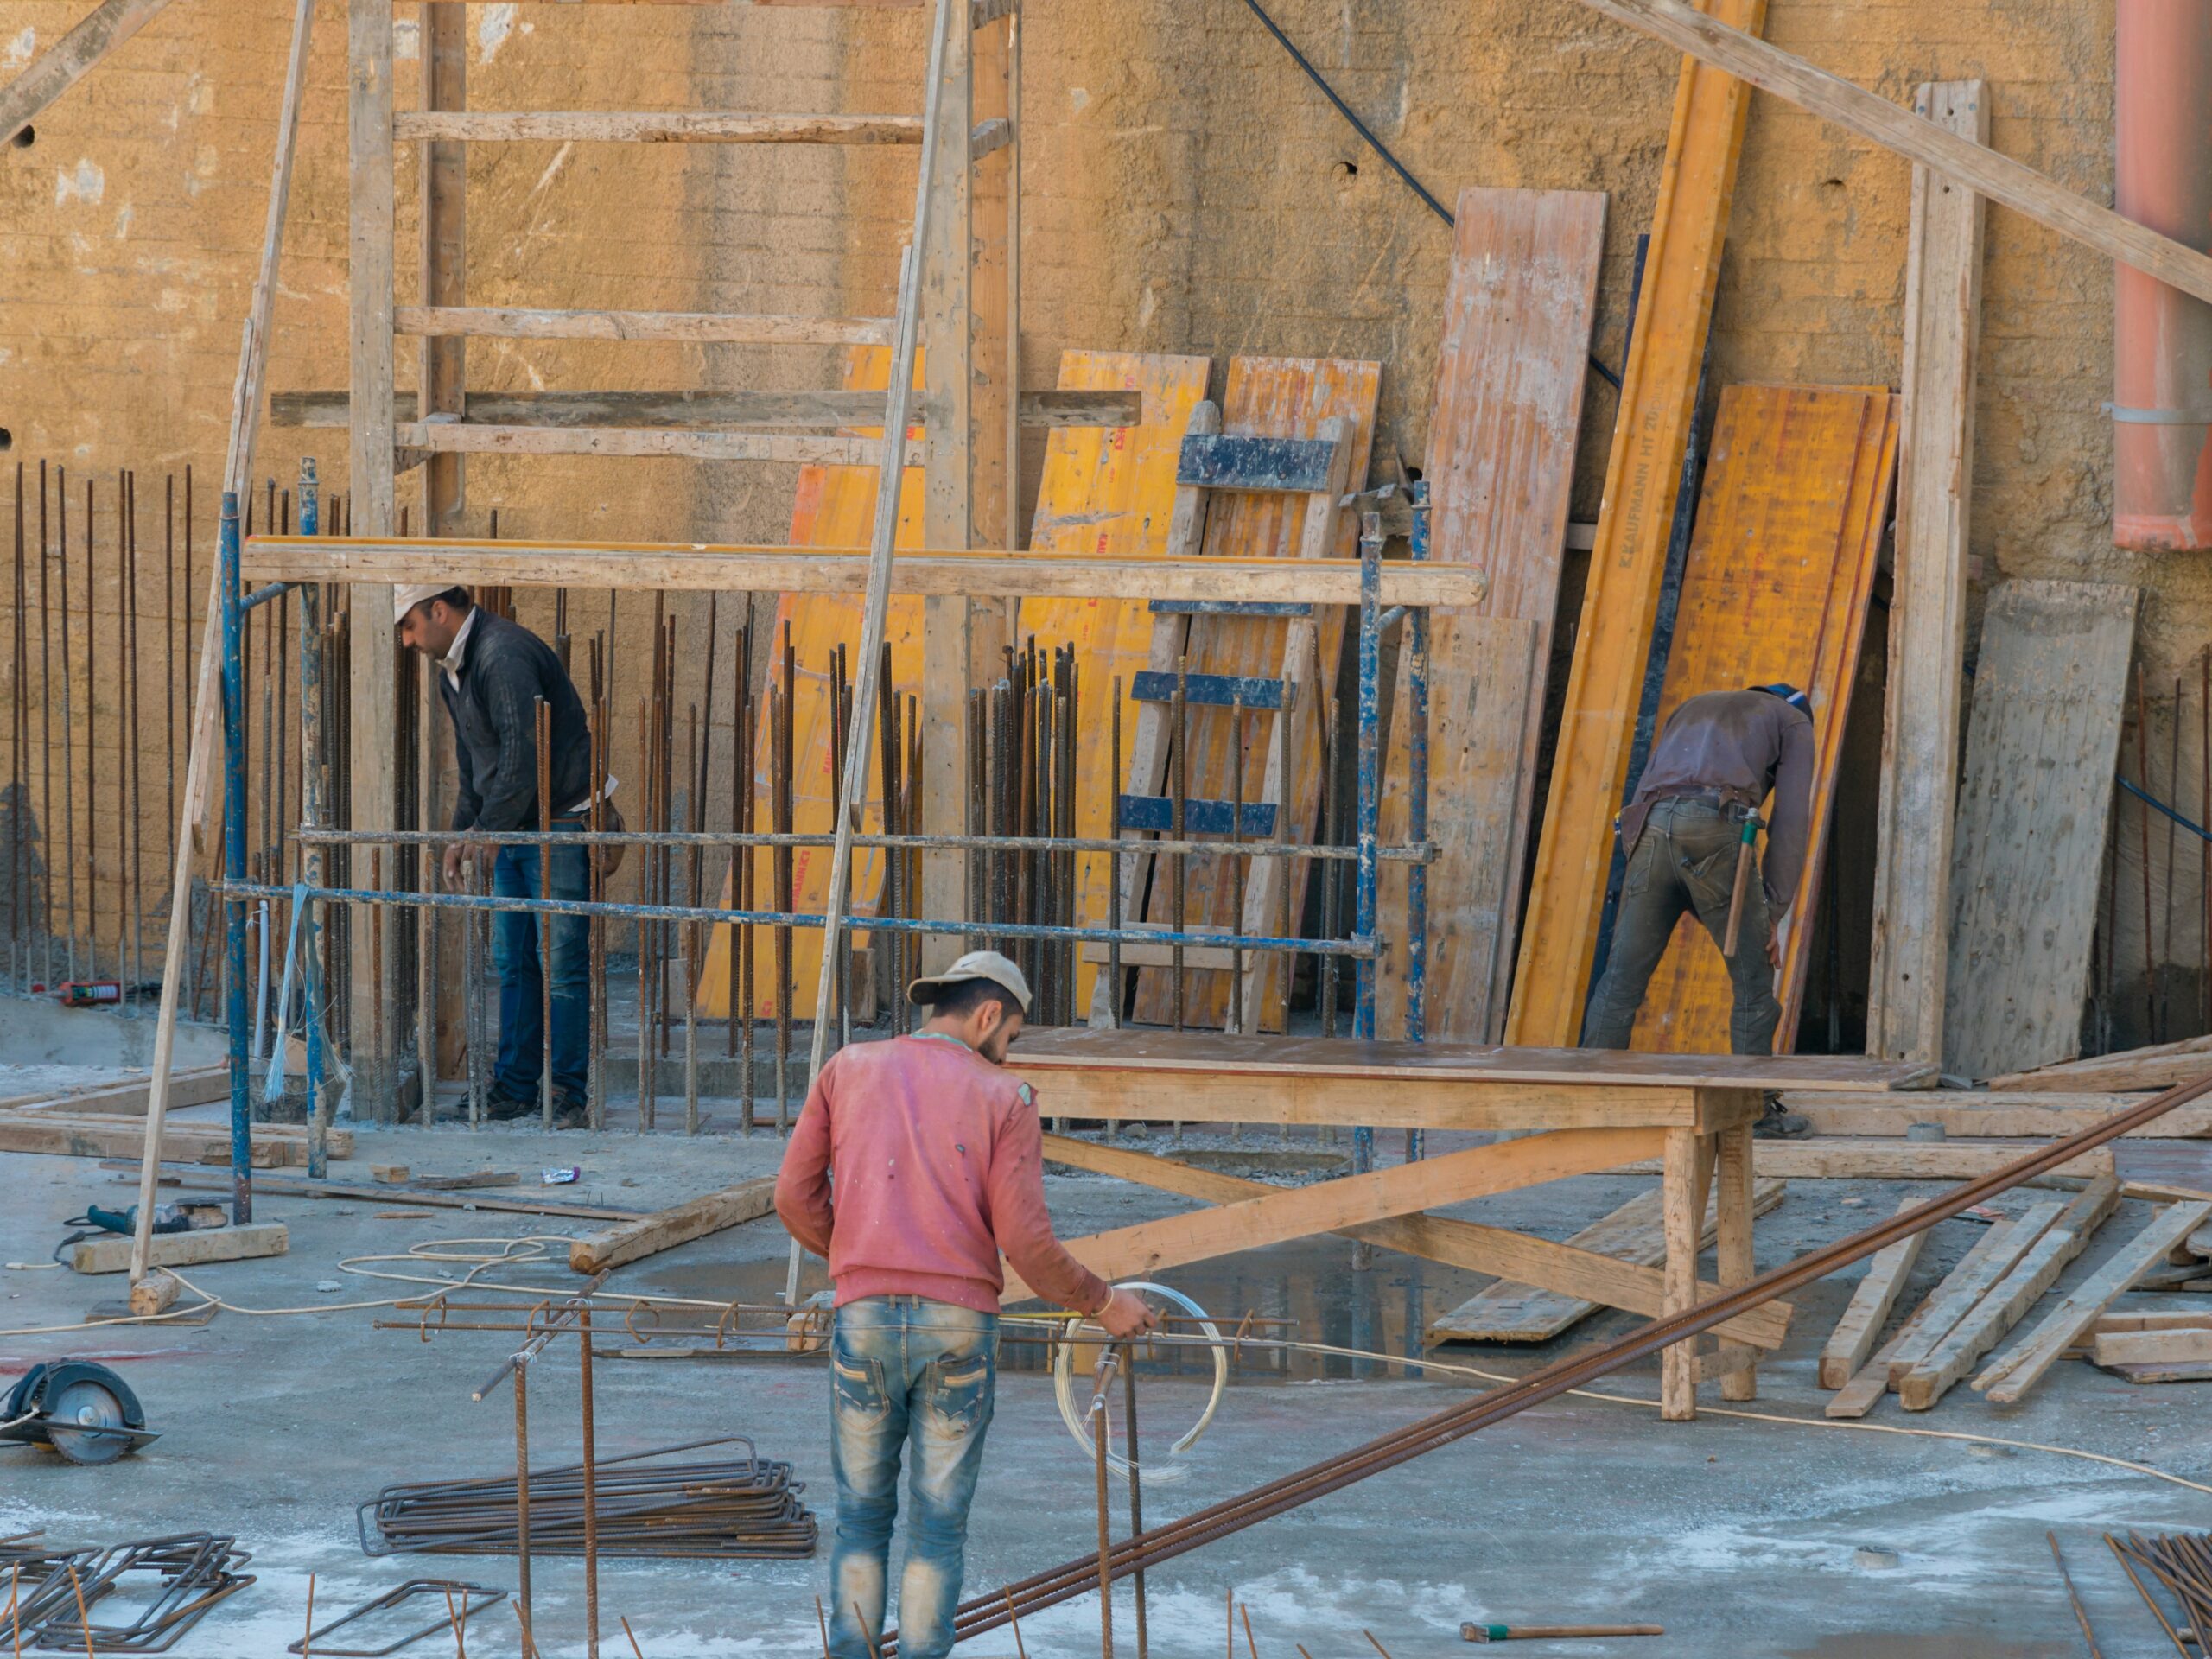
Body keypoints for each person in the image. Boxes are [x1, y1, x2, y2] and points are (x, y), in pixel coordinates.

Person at [775, 950, 1159, 1659]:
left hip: (864, 1315)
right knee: (938, 1525)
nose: (1009, 1052)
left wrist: (858, 1259)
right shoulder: (1004, 1098)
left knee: (861, 1517)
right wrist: (1103, 1301)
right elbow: (1026, 1243)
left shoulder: (848, 1068)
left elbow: (793, 1197)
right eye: (1010, 1036)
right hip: (958, 1325)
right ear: (987, 1016)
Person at [395, 584, 598, 1127]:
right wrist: (462, 833)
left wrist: (486, 830)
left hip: (554, 824)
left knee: (561, 965)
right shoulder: (453, 672)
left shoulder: (501, 654)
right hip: (512, 828)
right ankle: (515, 1086)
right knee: (514, 962)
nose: (409, 641)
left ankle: (571, 1094)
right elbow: (475, 766)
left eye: (411, 627)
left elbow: (522, 753)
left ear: (439, 610)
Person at [1581, 684, 1814, 1082]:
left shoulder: (1692, 705)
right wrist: (1771, 912)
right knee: (1753, 983)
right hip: (1717, 824)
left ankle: (1583, 1104)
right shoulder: (1795, 721)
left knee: (1621, 981)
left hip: (1650, 826)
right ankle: (1752, 1110)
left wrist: (1640, 859)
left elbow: (1642, 791)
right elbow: (1790, 821)